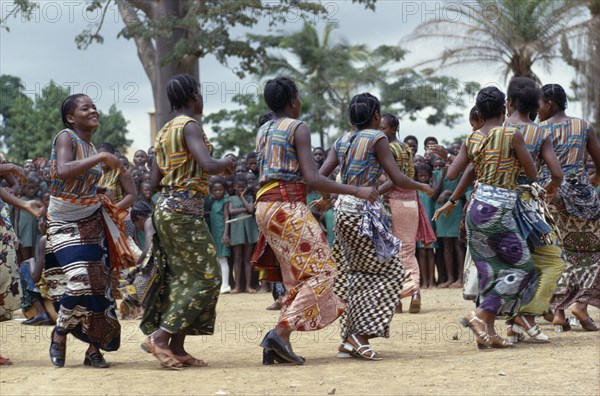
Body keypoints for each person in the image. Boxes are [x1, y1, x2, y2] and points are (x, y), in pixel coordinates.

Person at [253, 77, 378, 365]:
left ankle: (279, 344)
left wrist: (326, 196)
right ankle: (280, 332)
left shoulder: (263, 130)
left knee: (296, 278)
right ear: (293, 101)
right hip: (287, 205)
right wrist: (355, 189)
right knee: (324, 273)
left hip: (265, 207)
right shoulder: (298, 127)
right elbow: (311, 177)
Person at [320, 93, 434, 360]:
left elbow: (320, 176)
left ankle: (348, 340)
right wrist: (421, 186)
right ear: (375, 116)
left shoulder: (342, 140)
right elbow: (396, 178)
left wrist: (328, 199)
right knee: (392, 273)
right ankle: (360, 336)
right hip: (364, 216)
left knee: (357, 275)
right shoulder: (377, 138)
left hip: (343, 213)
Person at [140, 74, 235, 369]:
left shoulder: (163, 131)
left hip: (167, 209)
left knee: (183, 279)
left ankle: (178, 347)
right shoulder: (189, 126)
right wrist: (228, 161)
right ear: (194, 96)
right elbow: (208, 164)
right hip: (183, 212)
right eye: (201, 94)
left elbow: (153, 182)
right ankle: (159, 338)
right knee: (208, 277)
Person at [437, 87, 538, 349]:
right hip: (499, 211)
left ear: (479, 113)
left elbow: (451, 175)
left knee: (488, 272)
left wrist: (452, 159)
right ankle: (479, 316)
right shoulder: (510, 134)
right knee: (523, 268)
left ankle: (488, 334)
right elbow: (532, 172)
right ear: (504, 109)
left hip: (475, 210)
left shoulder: (471, 139)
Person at [44, 94, 133, 368]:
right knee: (79, 281)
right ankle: (59, 334)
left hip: (91, 219)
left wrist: (96, 190)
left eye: (94, 106)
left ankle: (94, 349)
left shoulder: (90, 145)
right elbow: (62, 170)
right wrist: (102, 156)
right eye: (86, 108)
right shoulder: (66, 137)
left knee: (98, 287)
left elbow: (79, 178)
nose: (93, 110)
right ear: (71, 117)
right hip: (63, 222)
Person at [539, 83, 600, 332]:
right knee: (590, 254)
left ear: (550, 104)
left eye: (539, 104)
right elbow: (598, 162)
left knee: (558, 253)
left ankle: (559, 313)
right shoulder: (584, 126)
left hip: (551, 197)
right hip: (584, 197)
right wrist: (592, 181)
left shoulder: (538, 130)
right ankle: (581, 307)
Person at [379, 113, 436, 314]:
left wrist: (373, 192)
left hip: (393, 201)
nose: (380, 130)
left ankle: (397, 299)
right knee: (409, 250)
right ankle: (415, 291)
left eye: (383, 127)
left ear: (392, 129)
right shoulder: (405, 147)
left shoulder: (387, 148)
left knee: (393, 252)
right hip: (411, 201)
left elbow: (394, 179)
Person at [227, 174, 259, 293]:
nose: (241, 189)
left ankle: (248, 286)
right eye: (238, 188)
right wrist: (245, 209)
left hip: (249, 229)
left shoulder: (250, 198)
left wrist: (242, 197)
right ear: (234, 187)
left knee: (247, 259)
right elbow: (231, 211)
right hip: (236, 230)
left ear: (246, 187)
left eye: (243, 187)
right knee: (237, 258)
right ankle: (237, 286)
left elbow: (251, 210)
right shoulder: (230, 199)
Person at [415, 163, 437, 289]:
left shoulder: (431, 190)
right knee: (421, 253)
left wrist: (433, 177)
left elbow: (434, 191)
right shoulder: (415, 189)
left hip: (431, 225)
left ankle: (432, 280)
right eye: (420, 176)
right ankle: (424, 281)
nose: (423, 178)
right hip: (419, 225)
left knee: (430, 252)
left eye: (426, 176)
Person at [97, 142, 137, 209]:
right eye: (99, 156)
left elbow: (132, 196)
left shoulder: (120, 171)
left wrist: (114, 209)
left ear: (112, 156)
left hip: (119, 214)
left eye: (105, 156)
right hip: (101, 214)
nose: (102, 160)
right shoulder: (97, 173)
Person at [209, 178, 231, 294]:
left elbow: (227, 217)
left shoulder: (225, 200)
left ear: (224, 190)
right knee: (218, 259)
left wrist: (226, 234)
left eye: (220, 190)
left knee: (223, 258)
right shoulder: (214, 201)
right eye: (215, 190)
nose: (218, 192)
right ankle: (222, 284)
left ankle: (226, 284)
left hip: (222, 232)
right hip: (215, 232)